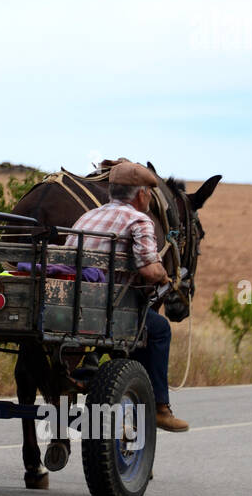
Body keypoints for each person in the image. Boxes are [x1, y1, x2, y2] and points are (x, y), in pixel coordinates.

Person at [63, 161, 189, 432]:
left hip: (70, 303)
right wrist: (164, 277)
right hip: (104, 309)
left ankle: (86, 374)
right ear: (142, 194)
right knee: (159, 329)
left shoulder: (88, 216)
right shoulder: (138, 220)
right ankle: (159, 407)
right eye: (148, 194)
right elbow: (148, 269)